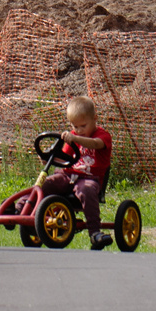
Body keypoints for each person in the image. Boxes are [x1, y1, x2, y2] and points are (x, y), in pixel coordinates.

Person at [38, 95, 114, 248]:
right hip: (67, 175)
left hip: (89, 178)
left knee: (86, 190)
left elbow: (96, 144)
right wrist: (48, 159)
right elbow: (65, 159)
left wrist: (76, 138)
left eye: (83, 126)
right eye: (75, 126)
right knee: (46, 184)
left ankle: (95, 232)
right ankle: (22, 209)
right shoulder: (74, 136)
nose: (78, 130)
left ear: (95, 118)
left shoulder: (102, 136)